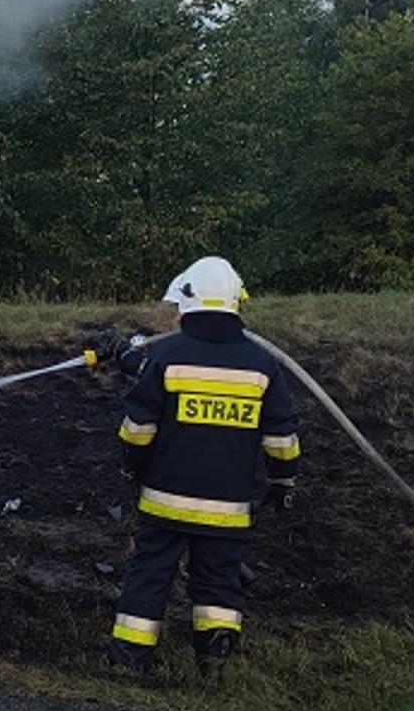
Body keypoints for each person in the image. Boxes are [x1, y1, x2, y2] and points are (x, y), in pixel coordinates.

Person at [107, 257, 300, 681]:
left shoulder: (167, 356)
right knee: (218, 582)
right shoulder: (261, 365)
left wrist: (131, 466)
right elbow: (281, 437)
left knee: (150, 575)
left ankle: (129, 661)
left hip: (164, 500)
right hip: (227, 507)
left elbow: (138, 428)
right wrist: (283, 480)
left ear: (188, 302)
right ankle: (213, 662)